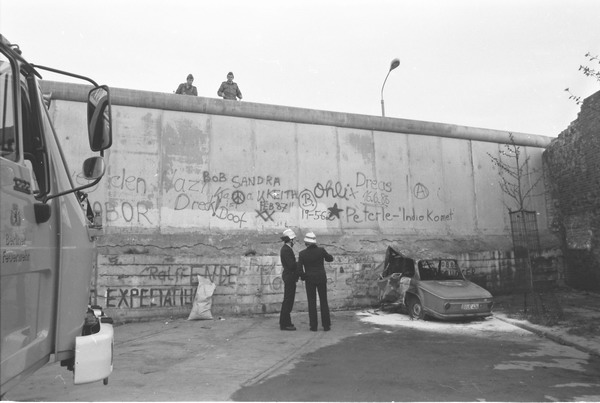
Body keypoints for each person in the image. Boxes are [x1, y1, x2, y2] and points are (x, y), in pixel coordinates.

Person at [297, 232, 334, 331]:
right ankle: (326, 325)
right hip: (321, 278)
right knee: (323, 301)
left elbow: (299, 270)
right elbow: (330, 259)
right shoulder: (321, 251)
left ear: (306, 242)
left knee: (311, 302)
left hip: (310, 279)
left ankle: (313, 326)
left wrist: (305, 276)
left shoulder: (302, 254)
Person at [279, 229, 299, 331]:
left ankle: (285, 322)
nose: (295, 240)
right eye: (294, 239)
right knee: (288, 300)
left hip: (289, 276)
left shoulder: (286, 249)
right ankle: (285, 323)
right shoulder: (286, 250)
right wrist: (299, 263)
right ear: (290, 240)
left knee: (288, 300)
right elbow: (291, 265)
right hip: (289, 277)